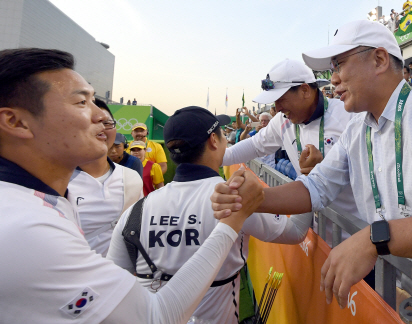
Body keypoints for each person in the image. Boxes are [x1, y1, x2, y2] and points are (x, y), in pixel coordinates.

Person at [212, 20, 412, 316]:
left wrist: (376, 238)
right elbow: (316, 187)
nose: (333, 80)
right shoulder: (358, 126)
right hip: (405, 293)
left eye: (339, 65)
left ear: (379, 59)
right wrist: (255, 200)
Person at [0, 47, 264, 324]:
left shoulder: (34, 204)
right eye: (81, 103)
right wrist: (231, 223)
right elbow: (155, 316)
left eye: (95, 101)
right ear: (15, 122)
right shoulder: (26, 227)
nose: (102, 117)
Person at [107, 107, 310, 323]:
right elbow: (296, 232)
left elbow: (112, 287)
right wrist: (307, 176)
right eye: (223, 133)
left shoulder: (134, 212)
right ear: (214, 140)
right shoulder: (235, 199)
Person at [221, 58, 359, 220]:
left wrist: (326, 169)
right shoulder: (282, 120)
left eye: (281, 99)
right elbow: (255, 145)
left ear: (305, 91)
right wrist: (216, 158)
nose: (277, 108)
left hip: (353, 229)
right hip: (316, 228)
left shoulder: (348, 116)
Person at [68, 98, 143, 257]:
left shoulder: (131, 178)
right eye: (91, 122)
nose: (101, 128)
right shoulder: (57, 179)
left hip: (120, 276)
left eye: (107, 122)